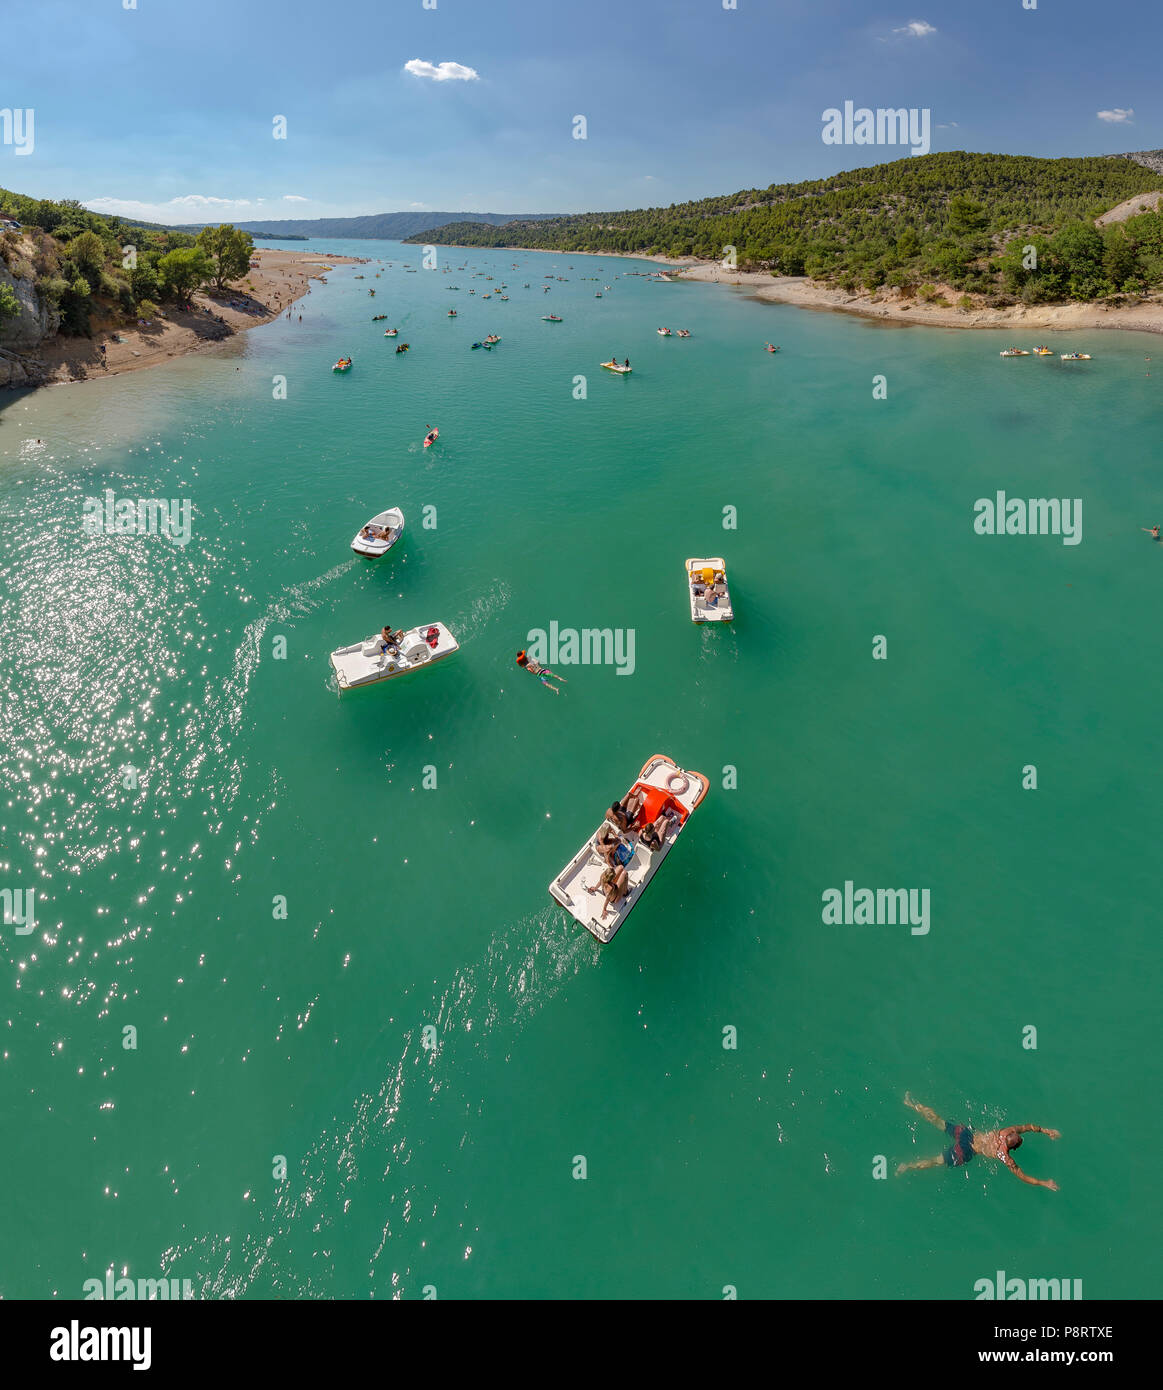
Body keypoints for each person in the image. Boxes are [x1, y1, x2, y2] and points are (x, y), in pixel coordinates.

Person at [895, 1095, 1060, 1190]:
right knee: (936, 1161)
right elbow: (1022, 1176)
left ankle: (912, 1104)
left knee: (940, 1122)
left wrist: (1046, 1131)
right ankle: (907, 1166)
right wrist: (1044, 1183)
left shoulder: (1005, 1131)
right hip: (966, 1151)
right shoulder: (1003, 1154)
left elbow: (1027, 1127)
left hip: (968, 1134)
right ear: (1013, 1148)